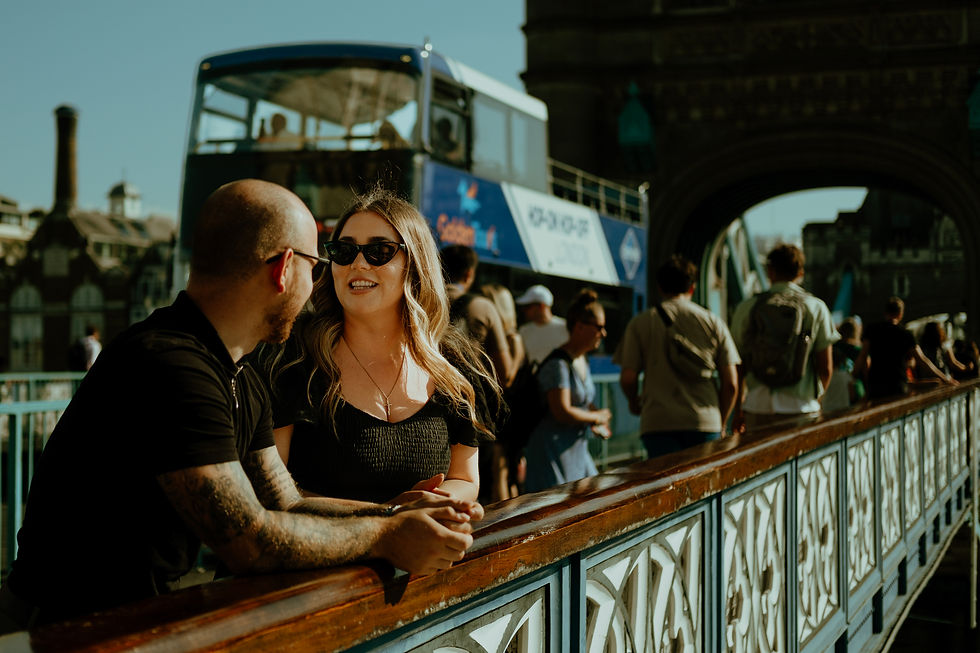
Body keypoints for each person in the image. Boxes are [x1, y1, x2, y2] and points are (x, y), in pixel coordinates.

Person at [0, 180, 479, 632]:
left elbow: (283, 501)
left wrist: (393, 513)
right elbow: (249, 541)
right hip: (65, 629)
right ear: (283, 269)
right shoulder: (170, 365)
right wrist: (389, 537)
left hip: (135, 620)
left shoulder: (239, 371)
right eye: (319, 262)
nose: (320, 283)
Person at [263, 191, 500, 506]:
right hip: (321, 553)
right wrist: (385, 521)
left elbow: (465, 479)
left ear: (415, 264)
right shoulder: (293, 357)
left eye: (380, 250)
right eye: (344, 250)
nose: (358, 263)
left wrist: (431, 505)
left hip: (421, 554)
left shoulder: (455, 364)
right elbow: (270, 489)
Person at [614, 255, 740, 458]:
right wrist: (722, 421)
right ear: (692, 288)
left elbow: (628, 378)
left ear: (660, 288)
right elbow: (731, 383)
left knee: (666, 486)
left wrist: (633, 401)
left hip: (658, 422)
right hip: (705, 423)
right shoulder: (713, 322)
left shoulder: (641, 323)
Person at [730, 244, 838, 429]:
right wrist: (816, 399)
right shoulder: (816, 307)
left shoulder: (747, 307)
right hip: (801, 408)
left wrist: (738, 409)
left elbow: (737, 365)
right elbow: (826, 368)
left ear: (769, 271)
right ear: (800, 272)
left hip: (757, 406)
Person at [523, 289, 612, 492]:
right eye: (599, 327)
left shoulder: (581, 360)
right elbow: (561, 410)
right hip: (551, 452)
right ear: (579, 327)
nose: (603, 333)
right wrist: (595, 417)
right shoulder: (557, 365)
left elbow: (582, 401)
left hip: (575, 449)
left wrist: (596, 418)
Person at [854, 297, 953, 399]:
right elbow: (922, 360)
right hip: (897, 384)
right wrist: (945, 378)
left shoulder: (872, 330)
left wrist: (852, 375)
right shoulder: (905, 334)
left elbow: (862, 356)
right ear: (900, 314)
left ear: (885, 312)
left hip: (876, 384)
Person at [481, 282, 526, 499]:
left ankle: (505, 522)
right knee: (503, 473)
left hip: (505, 409)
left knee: (501, 471)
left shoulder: (512, 339)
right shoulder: (508, 336)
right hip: (502, 408)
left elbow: (508, 378)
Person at [516, 284, 567, 365]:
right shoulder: (523, 330)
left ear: (541, 306)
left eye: (528, 306)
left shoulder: (565, 327)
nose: (524, 310)